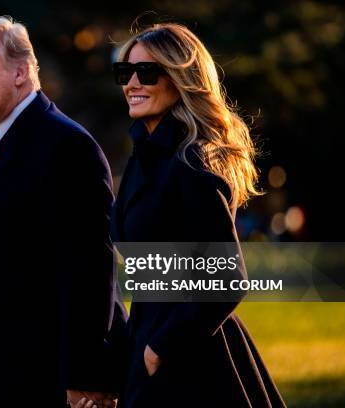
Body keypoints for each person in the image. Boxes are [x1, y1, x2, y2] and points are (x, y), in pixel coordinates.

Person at [0, 17, 127, 408]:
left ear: (21, 71)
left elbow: (90, 272)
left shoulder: (67, 146)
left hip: (49, 381)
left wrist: (86, 374)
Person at [109, 23, 286, 407]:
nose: (132, 83)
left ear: (180, 79)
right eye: (126, 72)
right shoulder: (143, 157)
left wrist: (158, 350)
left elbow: (228, 280)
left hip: (190, 357)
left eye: (148, 72)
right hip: (149, 339)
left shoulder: (190, 162)